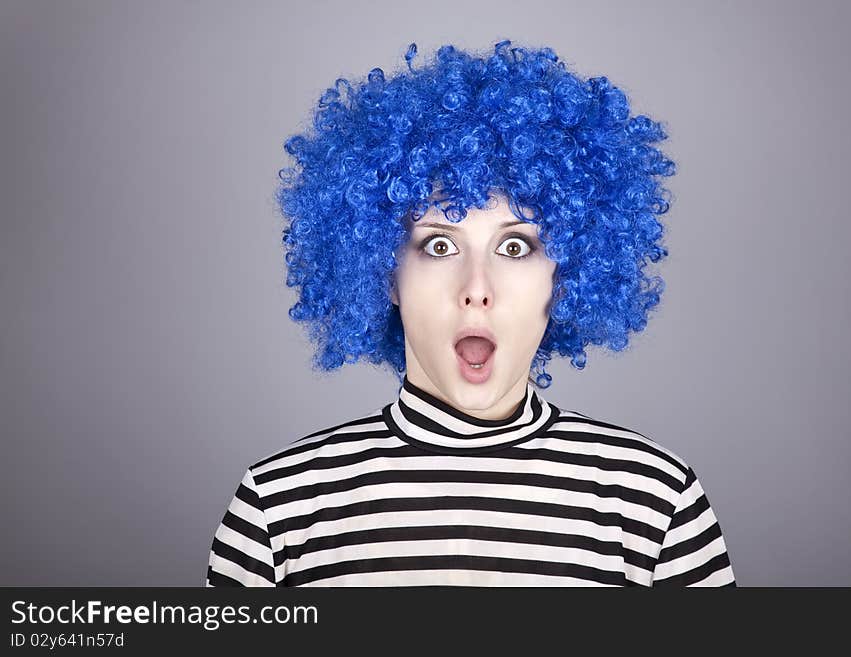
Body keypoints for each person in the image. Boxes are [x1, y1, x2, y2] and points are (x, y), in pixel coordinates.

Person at [206, 40, 736, 586]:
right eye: (439, 246)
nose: (476, 290)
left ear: (566, 275)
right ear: (386, 274)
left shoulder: (654, 502)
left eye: (514, 248)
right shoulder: (277, 510)